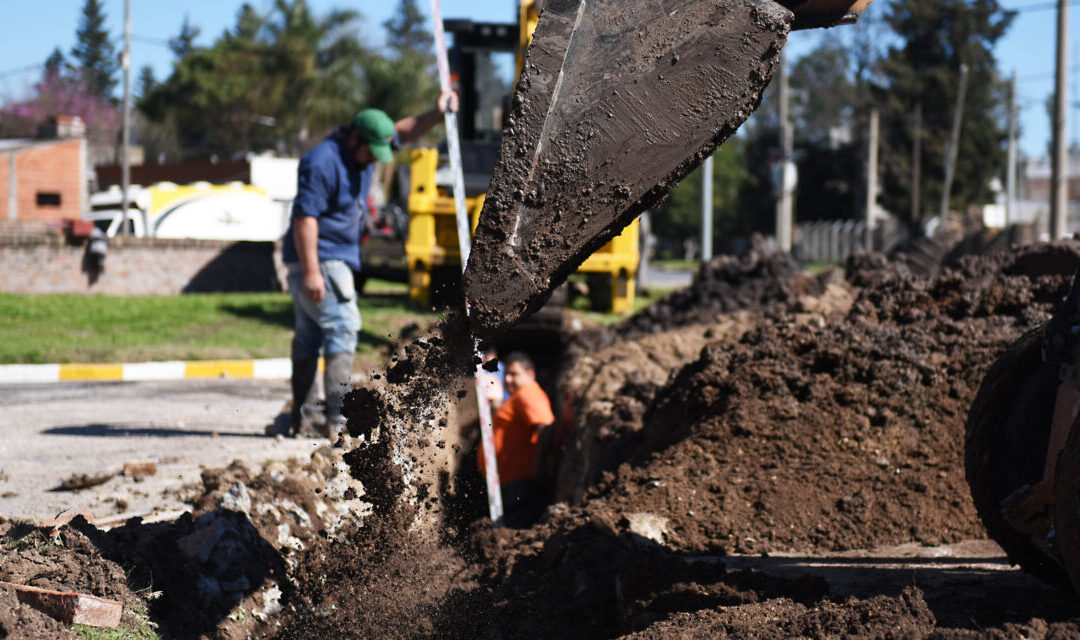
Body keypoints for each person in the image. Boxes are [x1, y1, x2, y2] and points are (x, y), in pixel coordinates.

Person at [282, 92, 457, 438]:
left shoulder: (366, 146)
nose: (372, 161)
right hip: (320, 255)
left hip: (326, 255)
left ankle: (302, 419)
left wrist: (436, 113)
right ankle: (338, 423)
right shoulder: (323, 161)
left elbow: (403, 132)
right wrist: (313, 271)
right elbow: (305, 218)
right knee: (343, 326)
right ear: (354, 137)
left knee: (309, 334)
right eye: (369, 153)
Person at [477, 351, 555, 527]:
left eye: (515, 374)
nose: (509, 380)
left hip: (522, 483)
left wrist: (538, 466)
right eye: (507, 375)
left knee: (517, 533)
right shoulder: (516, 398)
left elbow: (545, 428)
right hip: (511, 484)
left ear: (530, 374)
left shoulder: (528, 393)